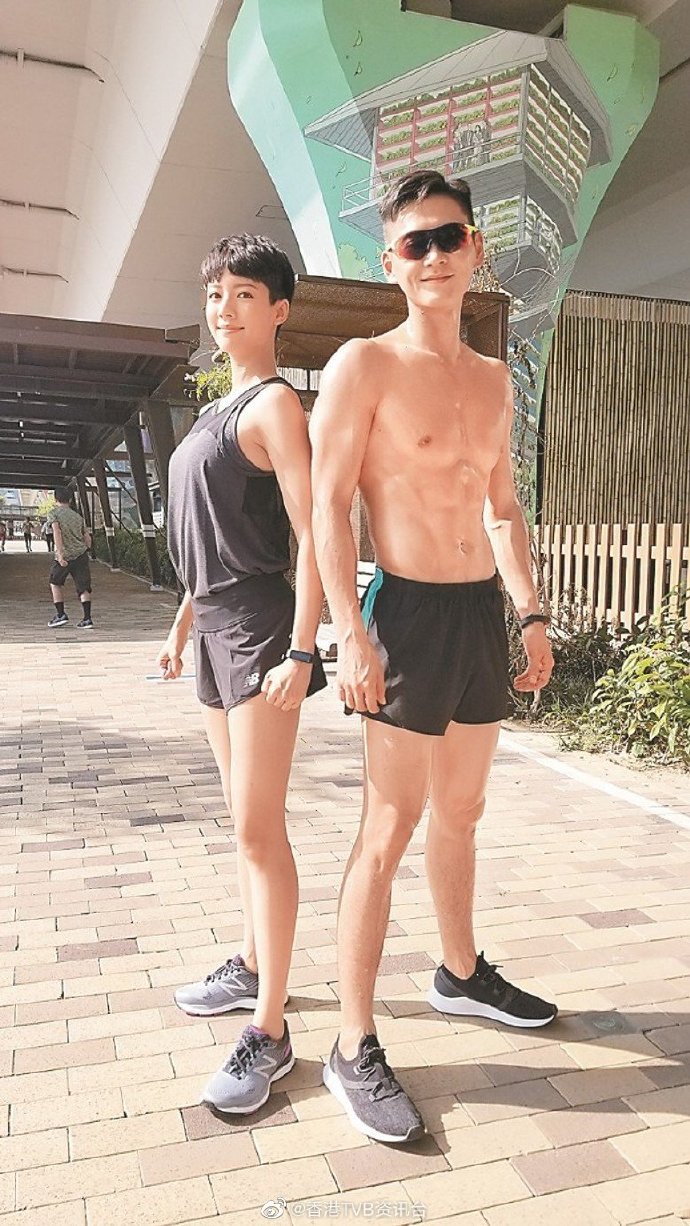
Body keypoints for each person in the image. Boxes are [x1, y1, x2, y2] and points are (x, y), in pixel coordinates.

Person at [310, 169, 556, 1145]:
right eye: (415, 242)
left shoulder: (494, 379)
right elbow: (328, 505)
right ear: (392, 262)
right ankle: (352, 1040)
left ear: (474, 248)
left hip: (477, 613)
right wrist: (349, 631)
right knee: (390, 824)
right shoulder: (363, 365)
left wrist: (530, 613)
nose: (435, 256)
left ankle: (459, 971)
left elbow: (502, 507)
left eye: (449, 236)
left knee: (463, 810)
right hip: (403, 614)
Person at [158, 233, 326, 1115]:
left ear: (278, 310)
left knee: (261, 830)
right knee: (243, 825)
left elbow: (313, 529)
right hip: (215, 630)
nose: (225, 308)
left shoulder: (273, 406)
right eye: (216, 294)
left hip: (261, 631)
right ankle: (255, 962)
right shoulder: (215, 411)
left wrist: (303, 648)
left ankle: (271, 1030)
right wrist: (183, 624)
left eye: (244, 294)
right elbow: (210, 537)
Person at [46, 489, 94, 628]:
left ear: (55, 499)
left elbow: (57, 532)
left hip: (65, 556)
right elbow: (87, 538)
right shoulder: (78, 517)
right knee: (83, 587)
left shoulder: (54, 514)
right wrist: (86, 549)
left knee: (55, 582)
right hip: (81, 555)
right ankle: (87, 618)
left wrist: (60, 554)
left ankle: (61, 614)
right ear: (70, 500)